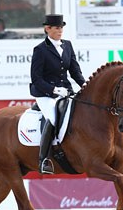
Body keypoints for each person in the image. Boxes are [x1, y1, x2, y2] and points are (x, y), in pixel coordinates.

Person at [30, 14, 86, 174]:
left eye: (61, 27)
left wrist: (85, 86)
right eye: (56, 28)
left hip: (66, 91)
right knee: (53, 117)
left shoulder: (67, 45)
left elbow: (75, 71)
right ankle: (44, 159)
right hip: (45, 94)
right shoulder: (40, 50)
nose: (60, 31)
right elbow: (36, 78)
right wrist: (53, 90)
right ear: (47, 29)